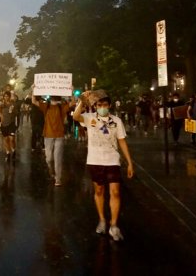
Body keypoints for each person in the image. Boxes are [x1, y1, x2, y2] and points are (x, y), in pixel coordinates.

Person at [73, 90, 134, 242]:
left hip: (112, 160)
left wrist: (129, 163)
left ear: (110, 105)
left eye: (104, 105)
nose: (102, 107)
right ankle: (102, 220)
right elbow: (75, 116)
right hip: (95, 160)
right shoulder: (89, 118)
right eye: (99, 105)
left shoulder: (116, 121)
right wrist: (82, 100)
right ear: (95, 106)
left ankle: (114, 225)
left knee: (115, 192)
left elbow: (122, 142)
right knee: (99, 191)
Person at [32, 94, 71, 186]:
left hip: (59, 136)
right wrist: (34, 90)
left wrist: (71, 92)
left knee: (57, 158)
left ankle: (58, 179)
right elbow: (34, 101)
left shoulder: (61, 107)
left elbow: (72, 103)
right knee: (49, 158)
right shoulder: (46, 106)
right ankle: (51, 171)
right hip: (48, 135)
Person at [0, 91, 17, 161]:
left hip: (11, 124)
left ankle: (13, 150)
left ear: (9, 97)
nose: (6, 97)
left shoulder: (12, 104)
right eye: (5, 96)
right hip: (3, 124)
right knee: (6, 139)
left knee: (11, 139)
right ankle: (8, 153)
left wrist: (12, 111)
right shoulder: (2, 105)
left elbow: (16, 113)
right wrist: (0, 121)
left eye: (7, 96)